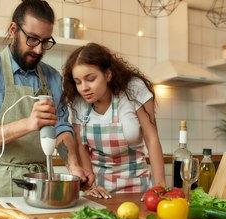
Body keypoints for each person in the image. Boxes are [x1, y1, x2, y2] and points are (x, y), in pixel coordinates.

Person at [0, 0, 92, 201]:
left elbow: (61, 128)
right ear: (13, 30)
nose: (39, 50)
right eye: (32, 39)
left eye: (45, 41)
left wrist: (73, 166)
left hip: (40, 182)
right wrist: (28, 124)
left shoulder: (52, 78)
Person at [60, 43, 166, 199]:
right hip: (100, 190)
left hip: (137, 186)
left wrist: (160, 187)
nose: (84, 88)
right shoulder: (79, 101)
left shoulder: (133, 89)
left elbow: (152, 138)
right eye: (78, 82)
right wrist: (91, 186)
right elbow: (81, 146)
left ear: (108, 75)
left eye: (90, 79)